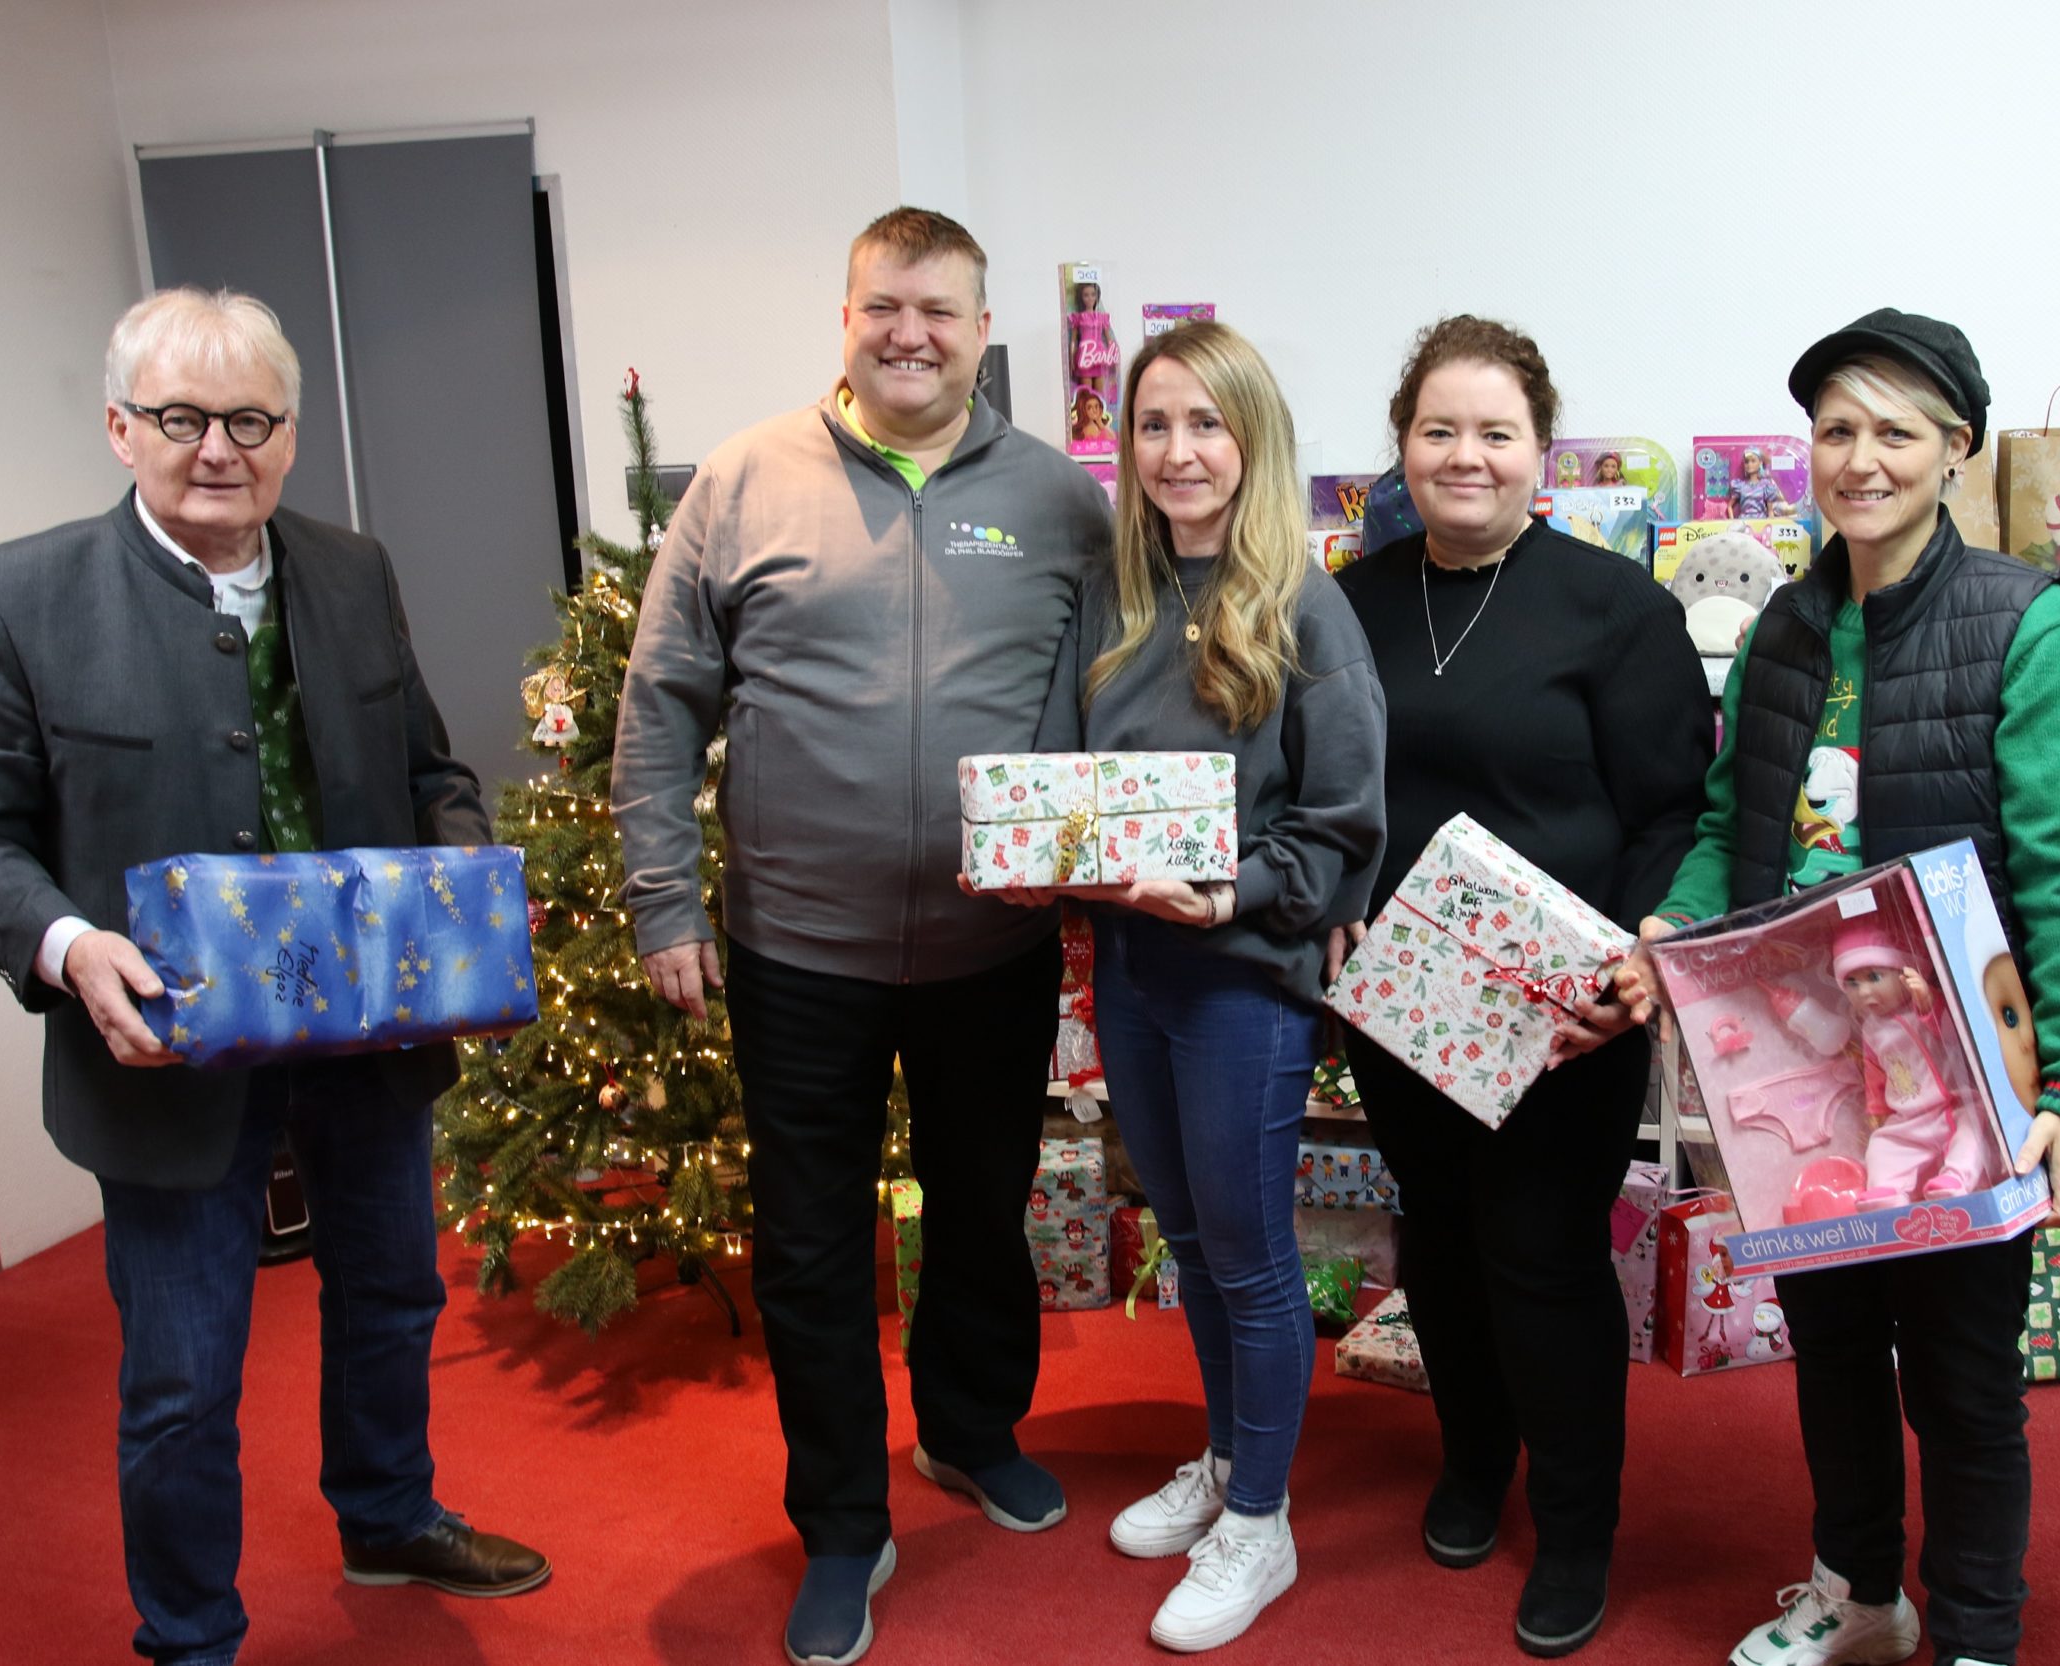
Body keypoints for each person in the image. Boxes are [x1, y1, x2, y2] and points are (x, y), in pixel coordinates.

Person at [0, 287, 548, 1666]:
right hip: (163, 1056)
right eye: (181, 417)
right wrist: (70, 947)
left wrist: (462, 879)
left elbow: (431, 773)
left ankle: (388, 1511)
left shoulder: (352, 568)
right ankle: (188, 1631)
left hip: (368, 1035)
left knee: (394, 1295)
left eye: (249, 419)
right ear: (122, 427)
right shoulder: (21, 594)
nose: (216, 447)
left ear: (289, 435)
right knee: (182, 1375)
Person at [612, 206, 1112, 1666]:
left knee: (982, 1208)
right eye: (885, 306)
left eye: (941, 312)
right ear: (846, 316)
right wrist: (661, 896)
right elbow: (659, 706)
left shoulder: (1057, 498)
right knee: (814, 1247)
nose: (911, 334)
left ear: (979, 328)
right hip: (798, 951)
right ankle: (842, 1521)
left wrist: (1096, 884)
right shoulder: (741, 479)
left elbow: (1094, 706)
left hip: (992, 946)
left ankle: (970, 1430)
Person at [1618, 308, 2060, 1666]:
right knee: (1832, 1352)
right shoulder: (1786, 629)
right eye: (1837, 429)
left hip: (1961, 1069)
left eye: (1895, 430)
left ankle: (1974, 1634)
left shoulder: (2029, 622)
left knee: (1965, 1383)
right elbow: (1736, 824)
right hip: (1802, 1069)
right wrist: (1680, 918)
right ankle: (1861, 1597)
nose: (1861, 458)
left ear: (1955, 448)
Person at [1334, 315, 1711, 1657]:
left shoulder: (1619, 609)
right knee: (1435, 1237)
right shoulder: (1354, 600)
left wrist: (1646, 948)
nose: (1466, 456)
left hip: (1567, 1008)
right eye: (1440, 429)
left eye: (1495, 432)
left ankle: (1580, 1522)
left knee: (1542, 1254)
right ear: (1403, 444)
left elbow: (1673, 808)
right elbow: (1327, 787)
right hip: (1407, 1000)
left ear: (1541, 453)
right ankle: (1471, 1459)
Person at [1013, 319, 1387, 1651]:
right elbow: (1064, 781)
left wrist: (1234, 893)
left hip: (1242, 977)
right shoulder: (1110, 595)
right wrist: (1040, 854)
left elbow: (1345, 820)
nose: (1180, 451)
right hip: (1131, 968)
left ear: (1252, 442)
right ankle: (1231, 1465)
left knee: (1250, 1254)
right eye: (1156, 424)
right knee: (1186, 1234)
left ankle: (1265, 1518)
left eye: (1207, 424)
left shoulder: (1303, 601)